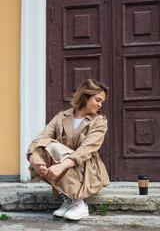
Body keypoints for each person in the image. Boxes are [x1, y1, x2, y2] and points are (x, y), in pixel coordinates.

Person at [26, 79, 110, 220]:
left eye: (102, 102)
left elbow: (86, 150)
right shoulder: (61, 117)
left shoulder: (99, 121)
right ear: (85, 96)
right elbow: (39, 139)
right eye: (97, 100)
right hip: (64, 164)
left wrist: (61, 166)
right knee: (42, 146)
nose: (100, 105)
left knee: (52, 147)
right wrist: (33, 160)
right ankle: (69, 199)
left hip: (87, 168)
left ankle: (79, 204)